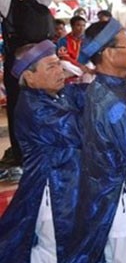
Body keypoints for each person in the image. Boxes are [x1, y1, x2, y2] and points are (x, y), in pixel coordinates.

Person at [68, 19, 126, 262]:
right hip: (121, 201)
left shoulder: (111, 88)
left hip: (113, 196)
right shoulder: (111, 103)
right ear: (110, 54)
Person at [0, 40, 86, 262]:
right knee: (53, 249)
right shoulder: (34, 109)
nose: (60, 71)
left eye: (59, 64)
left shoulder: (58, 94)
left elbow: (85, 94)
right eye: (51, 67)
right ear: (29, 77)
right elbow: (79, 130)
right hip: (52, 188)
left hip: (69, 184)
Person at [0, 0, 59, 170]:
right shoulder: (5, 3)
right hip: (21, 67)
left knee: (47, 106)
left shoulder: (36, 1)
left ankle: (48, 149)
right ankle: (25, 157)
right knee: (20, 110)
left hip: (46, 61)